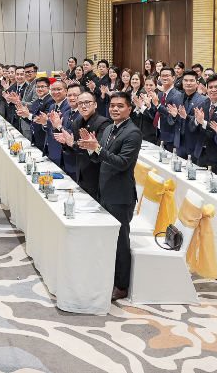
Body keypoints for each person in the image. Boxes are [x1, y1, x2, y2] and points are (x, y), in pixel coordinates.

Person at [78, 91, 142, 301]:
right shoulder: (109, 129)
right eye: (112, 105)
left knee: (120, 241)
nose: (115, 109)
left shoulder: (132, 133)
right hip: (104, 189)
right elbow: (99, 159)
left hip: (120, 195)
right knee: (107, 238)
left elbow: (122, 163)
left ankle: (121, 286)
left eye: (120, 106)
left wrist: (97, 149)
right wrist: (91, 149)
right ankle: (108, 276)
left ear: (129, 109)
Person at [58, 89, 109, 195]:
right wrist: (66, 143)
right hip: (80, 173)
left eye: (87, 102)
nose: (83, 106)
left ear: (95, 105)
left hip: (97, 175)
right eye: (80, 103)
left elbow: (99, 152)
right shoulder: (77, 122)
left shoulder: (104, 123)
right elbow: (71, 151)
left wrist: (73, 144)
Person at [192, 75, 217, 173]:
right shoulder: (203, 104)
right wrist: (196, 121)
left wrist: (203, 122)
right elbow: (192, 127)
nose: (213, 90)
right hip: (200, 153)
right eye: (210, 87)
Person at [39, 79, 70, 172]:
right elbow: (49, 127)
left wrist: (49, 123)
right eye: (53, 89)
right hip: (51, 146)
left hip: (61, 150)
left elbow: (63, 127)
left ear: (66, 91)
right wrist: (45, 123)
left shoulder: (69, 106)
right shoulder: (52, 106)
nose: (55, 92)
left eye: (59, 89)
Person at [16, 76, 54, 150]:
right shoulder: (36, 101)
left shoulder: (50, 101)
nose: (40, 89)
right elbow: (32, 121)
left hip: (45, 139)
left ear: (48, 88)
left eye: (42, 87)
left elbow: (42, 119)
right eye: (37, 87)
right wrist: (24, 115)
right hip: (35, 137)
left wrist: (28, 115)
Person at [177, 71, 207, 160]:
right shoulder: (177, 98)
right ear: (182, 82)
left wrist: (186, 116)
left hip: (194, 144)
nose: (188, 83)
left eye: (191, 80)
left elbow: (202, 121)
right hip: (178, 142)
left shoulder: (204, 100)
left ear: (197, 83)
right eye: (186, 80)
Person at [155, 67, 184, 152]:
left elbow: (173, 116)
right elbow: (156, 114)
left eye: (167, 76)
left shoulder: (178, 95)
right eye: (162, 76)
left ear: (173, 78)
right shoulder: (160, 95)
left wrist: (158, 106)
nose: (164, 78)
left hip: (170, 137)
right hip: (159, 134)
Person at [129, 72, 157, 145]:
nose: (148, 87)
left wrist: (142, 107)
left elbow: (153, 116)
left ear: (156, 86)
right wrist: (138, 108)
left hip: (151, 132)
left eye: (151, 85)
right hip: (141, 130)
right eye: (146, 85)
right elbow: (138, 115)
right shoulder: (143, 96)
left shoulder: (157, 98)